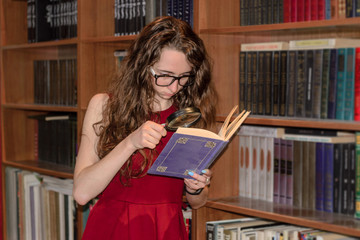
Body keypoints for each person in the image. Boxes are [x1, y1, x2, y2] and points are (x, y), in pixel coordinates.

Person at [73, 16, 218, 240]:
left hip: (167, 228)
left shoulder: (189, 115)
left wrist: (195, 188)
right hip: (114, 227)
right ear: (143, 65)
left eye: (184, 77)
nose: (174, 86)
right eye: (165, 76)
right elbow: (82, 193)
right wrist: (131, 142)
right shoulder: (104, 106)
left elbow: (198, 202)